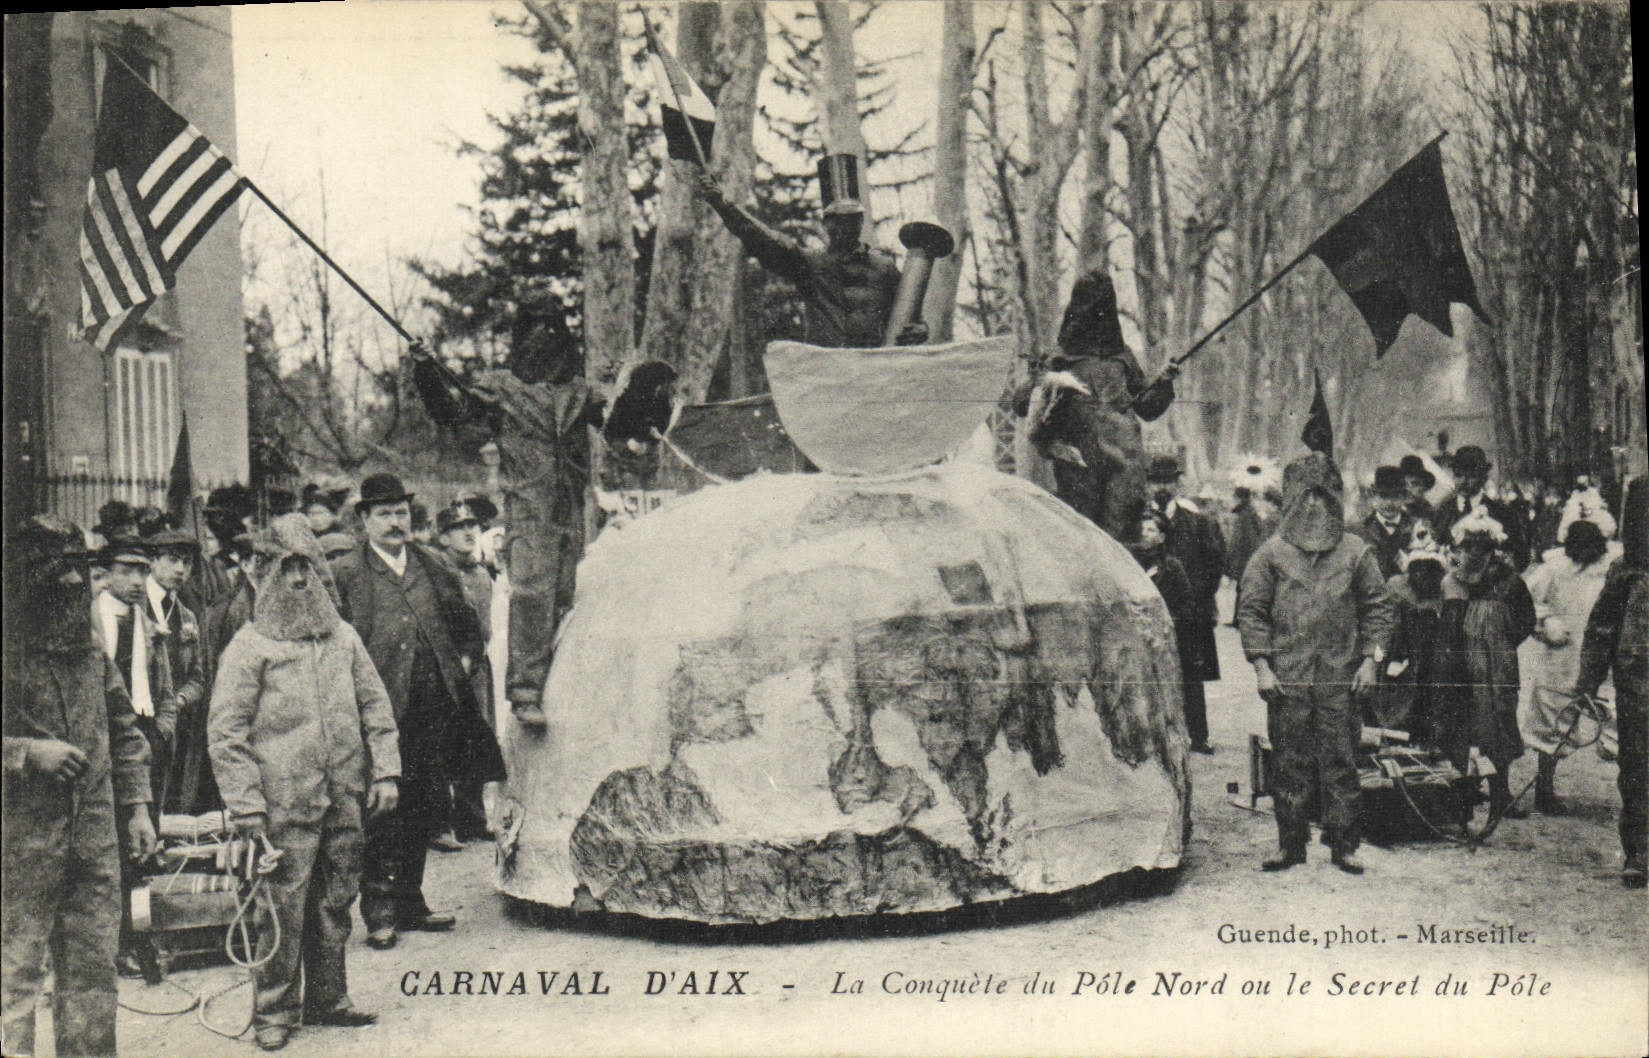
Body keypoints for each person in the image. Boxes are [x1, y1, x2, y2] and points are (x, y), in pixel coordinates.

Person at [209, 514, 401, 1051]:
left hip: (342, 798)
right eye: (288, 570)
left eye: (308, 569)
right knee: (280, 910)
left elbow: (375, 707)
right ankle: (274, 1011)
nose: (299, 581)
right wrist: (246, 805)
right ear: (266, 575)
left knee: (334, 901)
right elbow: (226, 734)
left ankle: (328, 997)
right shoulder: (250, 648)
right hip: (279, 807)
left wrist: (386, 770)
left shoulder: (344, 639)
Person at [330, 474, 506, 950]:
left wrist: (460, 666)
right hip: (380, 715)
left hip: (434, 710)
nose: (394, 522)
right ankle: (381, 909)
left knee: (426, 806)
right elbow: (334, 647)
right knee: (383, 811)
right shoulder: (346, 573)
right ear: (364, 520)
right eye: (383, 514)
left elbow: (468, 627)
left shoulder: (432, 564)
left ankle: (412, 901)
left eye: (401, 513)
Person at [3, 515, 156, 1057]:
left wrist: (138, 808)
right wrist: (25, 754)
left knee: (92, 971)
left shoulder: (88, 645)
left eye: (77, 567)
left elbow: (124, 730)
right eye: (53, 568)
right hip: (18, 842)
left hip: (92, 837)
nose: (70, 581)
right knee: (13, 973)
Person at [410, 317, 604, 728]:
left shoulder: (578, 390)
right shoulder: (503, 388)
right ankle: (525, 690)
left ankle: (558, 681)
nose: (546, 343)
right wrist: (427, 369)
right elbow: (452, 411)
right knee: (532, 590)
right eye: (537, 332)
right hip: (528, 505)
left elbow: (617, 421)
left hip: (569, 505)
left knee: (564, 594)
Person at [1238, 453, 1394, 874]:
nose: (1313, 508)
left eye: (1323, 498)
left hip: (1340, 678)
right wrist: (1262, 667)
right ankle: (1291, 843)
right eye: (1304, 498)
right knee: (1288, 762)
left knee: (1342, 760)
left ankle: (1344, 843)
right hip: (1288, 678)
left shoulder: (1356, 553)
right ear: (1289, 501)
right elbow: (1251, 612)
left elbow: (1379, 610)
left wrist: (1370, 662)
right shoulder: (1270, 555)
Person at [695, 154, 927, 349]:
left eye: (852, 219)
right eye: (838, 220)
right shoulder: (809, 264)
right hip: (825, 373)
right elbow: (763, 239)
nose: (845, 227)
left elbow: (911, 315)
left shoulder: (884, 268)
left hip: (874, 373)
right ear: (826, 224)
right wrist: (724, 205)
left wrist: (920, 330)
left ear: (861, 221)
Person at [1025, 269, 1177, 544]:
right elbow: (1025, 406)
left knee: (1121, 538)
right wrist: (1038, 381)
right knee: (1083, 539)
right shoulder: (1058, 358)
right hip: (1079, 467)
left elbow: (1147, 408)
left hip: (1123, 465)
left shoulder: (1123, 358)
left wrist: (1164, 382)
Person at [1438, 508, 1536, 819]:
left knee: (1500, 723)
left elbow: (1526, 620)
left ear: (1493, 548)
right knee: (1462, 725)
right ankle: (1463, 789)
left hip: (1497, 668)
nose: (1475, 553)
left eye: (1482, 547)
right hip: (1461, 665)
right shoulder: (1452, 579)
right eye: (1468, 547)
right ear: (1459, 548)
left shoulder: (1509, 582)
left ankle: (1500, 793)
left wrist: (1500, 645)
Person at [1574, 475, 1648, 888]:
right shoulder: (1627, 571)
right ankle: (1639, 850)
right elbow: (1601, 627)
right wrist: (1587, 680)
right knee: (1637, 765)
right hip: (1639, 682)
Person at [1523, 518, 1615, 813]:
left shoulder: (1612, 568)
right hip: (1562, 657)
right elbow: (1524, 600)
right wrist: (1546, 621)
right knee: (1551, 722)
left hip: (1604, 657)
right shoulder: (1554, 569)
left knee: (1620, 722)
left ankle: (1635, 798)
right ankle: (1544, 790)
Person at [1149, 454, 1224, 753]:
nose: (1161, 487)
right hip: (1152, 612)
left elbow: (1215, 562)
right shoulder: (1139, 521)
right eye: (1156, 481)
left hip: (1190, 614)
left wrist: (1197, 599)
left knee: (1192, 676)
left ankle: (1198, 735)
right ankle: (1158, 737)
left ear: (1177, 483)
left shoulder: (1196, 522)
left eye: (1167, 481)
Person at [432, 500, 496, 848]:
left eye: (473, 525)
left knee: (476, 737)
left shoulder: (481, 573)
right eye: (459, 528)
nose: (470, 532)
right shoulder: (436, 572)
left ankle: (472, 819)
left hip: (477, 668)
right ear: (442, 538)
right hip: (446, 666)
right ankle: (439, 824)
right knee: (442, 742)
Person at [143, 527, 209, 816]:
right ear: (152, 561)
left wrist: (179, 700)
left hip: (171, 727)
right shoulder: (135, 606)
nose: (181, 569)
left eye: (187, 562)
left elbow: (197, 676)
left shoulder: (187, 616)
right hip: (138, 723)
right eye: (173, 559)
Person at [1373, 530, 1450, 742]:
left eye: (1430, 569)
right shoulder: (1396, 588)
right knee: (1398, 696)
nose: (1423, 575)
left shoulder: (1444, 592)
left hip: (1432, 654)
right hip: (1402, 651)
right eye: (1418, 569)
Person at [1132, 511, 1202, 741]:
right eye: (1143, 529)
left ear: (1162, 537)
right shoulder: (1130, 564)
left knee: (1184, 682)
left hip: (1170, 634)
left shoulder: (1172, 567)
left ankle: (1196, 734)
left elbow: (1187, 602)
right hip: (1139, 634)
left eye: (1151, 530)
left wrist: (1168, 621)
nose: (1145, 534)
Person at [1434, 445, 1529, 572]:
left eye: (1471, 476)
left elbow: (1521, 557)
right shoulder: (1443, 511)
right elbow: (1436, 553)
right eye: (1458, 475)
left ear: (1483, 478)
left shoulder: (1502, 513)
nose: (1463, 481)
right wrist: (1459, 565)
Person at [1354, 465, 1421, 580]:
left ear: (1405, 497)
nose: (1389, 503)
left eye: (1395, 496)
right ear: (1373, 495)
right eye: (1384, 496)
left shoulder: (1418, 528)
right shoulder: (1359, 532)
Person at [1398, 454, 1437, 526]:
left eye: (1415, 483)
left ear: (1424, 486)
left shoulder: (1427, 511)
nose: (1408, 488)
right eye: (1404, 483)